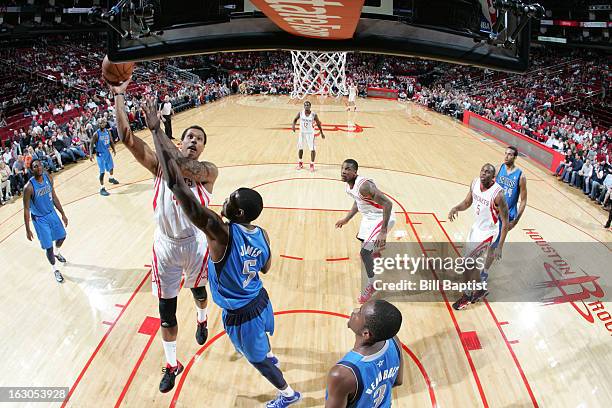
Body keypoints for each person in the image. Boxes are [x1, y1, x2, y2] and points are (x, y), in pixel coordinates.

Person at [151, 103, 302, 407]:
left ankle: (288, 394)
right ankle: (266, 349)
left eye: (232, 200)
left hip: (242, 313)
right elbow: (267, 267)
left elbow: (179, 189)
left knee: (258, 361)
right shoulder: (261, 234)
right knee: (263, 346)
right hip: (261, 300)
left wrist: (157, 131)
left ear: (240, 212)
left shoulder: (220, 231)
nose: (227, 199)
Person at [111, 81, 218, 394]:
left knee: (199, 292)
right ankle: (172, 364)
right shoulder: (159, 167)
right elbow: (127, 138)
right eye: (189, 137)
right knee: (166, 312)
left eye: (199, 139)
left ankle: (201, 318)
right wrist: (119, 95)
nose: (193, 141)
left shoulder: (208, 171)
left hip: (196, 244)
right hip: (166, 247)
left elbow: (184, 167)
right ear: (181, 140)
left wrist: (158, 131)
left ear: (203, 148)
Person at [448, 163, 509, 310]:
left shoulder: (498, 195)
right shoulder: (475, 183)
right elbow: (467, 202)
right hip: (476, 229)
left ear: (493, 177)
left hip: (488, 233)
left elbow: (505, 223)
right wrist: (456, 207)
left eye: (488, 172)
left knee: (467, 263)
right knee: (471, 263)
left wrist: (500, 246)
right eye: (482, 170)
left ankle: (467, 296)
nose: (484, 173)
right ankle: (480, 289)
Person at [335, 159, 394, 303]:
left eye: (348, 169)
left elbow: (388, 203)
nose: (344, 171)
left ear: (355, 172)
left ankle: (372, 284)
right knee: (364, 244)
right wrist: (347, 219)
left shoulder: (365, 186)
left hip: (382, 217)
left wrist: (383, 231)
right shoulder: (349, 187)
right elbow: (358, 201)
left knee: (364, 252)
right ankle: (376, 251)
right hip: (369, 217)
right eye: (343, 168)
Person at [325, 300, 404, 407]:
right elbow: (398, 381)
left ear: (366, 333)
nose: (354, 312)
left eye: (359, 312)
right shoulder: (394, 341)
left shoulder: (343, 374)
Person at [22, 160, 68, 283]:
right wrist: (28, 229)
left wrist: (62, 213)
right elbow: (26, 210)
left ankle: (57, 253)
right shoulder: (29, 187)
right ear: (32, 170)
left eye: (39, 165)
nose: (38, 167)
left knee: (62, 236)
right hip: (40, 219)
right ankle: (55, 270)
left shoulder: (48, 177)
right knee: (48, 248)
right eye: (35, 166)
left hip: (51, 213)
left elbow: (54, 196)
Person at [291, 100, 325, 172]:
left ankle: (312, 164)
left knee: (312, 149)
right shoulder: (300, 113)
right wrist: (293, 126)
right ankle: (300, 163)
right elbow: (295, 119)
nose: (306, 106)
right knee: (300, 148)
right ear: (304, 106)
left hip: (310, 133)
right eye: (305, 105)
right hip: (302, 133)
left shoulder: (314, 115)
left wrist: (321, 133)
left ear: (310, 106)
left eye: (308, 105)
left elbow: (318, 124)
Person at [90, 118, 119, 196]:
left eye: (102, 123)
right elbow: (91, 144)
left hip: (107, 152)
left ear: (105, 123)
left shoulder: (108, 132)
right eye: (99, 123)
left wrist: (114, 149)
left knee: (111, 167)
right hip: (100, 154)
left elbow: (111, 141)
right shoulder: (96, 134)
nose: (101, 124)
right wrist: (90, 154)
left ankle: (111, 178)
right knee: (102, 172)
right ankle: (102, 188)